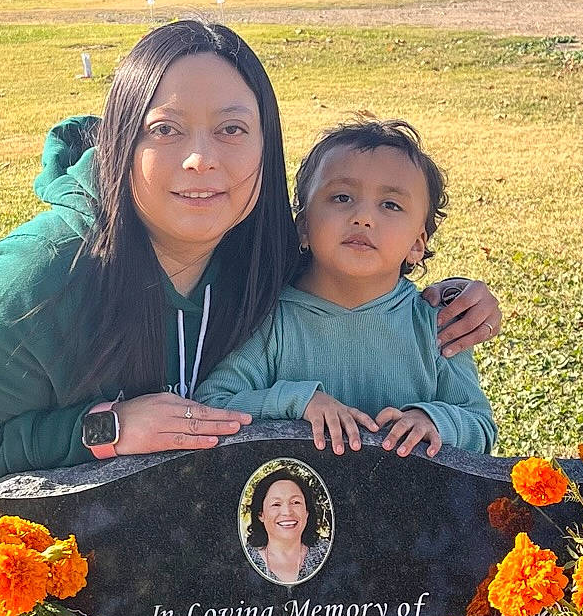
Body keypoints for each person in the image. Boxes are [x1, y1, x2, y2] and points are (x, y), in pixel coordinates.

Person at [0, 22, 500, 494]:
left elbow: (357, 280)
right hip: (71, 594)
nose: (200, 160)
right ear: (120, 141)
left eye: (233, 130)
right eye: (165, 129)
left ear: (267, 149)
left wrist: (458, 300)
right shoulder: (34, 282)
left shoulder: (254, 254)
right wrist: (104, 429)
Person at [197, 117, 496, 459]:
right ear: (304, 226)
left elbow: (480, 425)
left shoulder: (437, 327)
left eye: (391, 205)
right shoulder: (271, 319)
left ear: (417, 243)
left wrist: (434, 420)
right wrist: (299, 401)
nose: (363, 217)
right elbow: (214, 406)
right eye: (341, 197)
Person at [244, 467, 328, 586]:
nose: (287, 512)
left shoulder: (325, 553)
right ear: (260, 514)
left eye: (295, 502)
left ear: (307, 512)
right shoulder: (243, 560)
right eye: (276, 504)